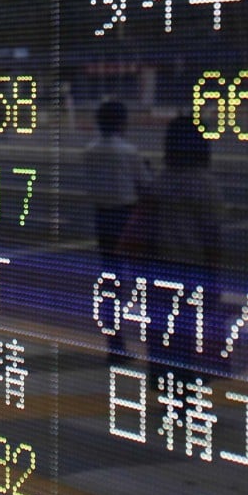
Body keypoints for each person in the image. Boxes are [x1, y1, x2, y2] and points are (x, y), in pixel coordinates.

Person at [146, 115, 222, 385]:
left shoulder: (162, 179)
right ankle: (187, 387)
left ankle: (166, 380)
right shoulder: (205, 183)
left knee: (164, 329)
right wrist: (215, 275)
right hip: (193, 268)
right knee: (189, 332)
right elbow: (212, 233)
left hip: (161, 266)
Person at [83, 101, 151, 362]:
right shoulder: (129, 151)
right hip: (128, 215)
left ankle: (115, 342)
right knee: (141, 278)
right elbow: (146, 185)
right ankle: (152, 340)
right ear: (122, 122)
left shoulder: (89, 151)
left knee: (110, 280)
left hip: (103, 217)